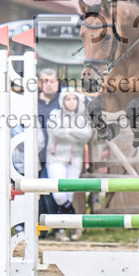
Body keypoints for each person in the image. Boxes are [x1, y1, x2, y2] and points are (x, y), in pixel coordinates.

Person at [46, 91, 93, 241]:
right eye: (68, 99)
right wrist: (75, 133)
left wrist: (69, 131)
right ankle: (77, 223)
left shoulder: (83, 118)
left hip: (75, 160)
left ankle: (61, 229)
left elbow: (87, 135)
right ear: (63, 100)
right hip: (56, 159)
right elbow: (58, 133)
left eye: (74, 99)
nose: (72, 102)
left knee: (69, 196)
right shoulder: (55, 115)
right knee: (59, 195)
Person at [36, 69, 62, 237]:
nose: (49, 84)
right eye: (45, 81)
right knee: (37, 191)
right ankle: (41, 228)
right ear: (39, 84)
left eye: (52, 81)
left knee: (52, 189)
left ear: (57, 83)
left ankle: (56, 226)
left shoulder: (63, 101)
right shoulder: (32, 103)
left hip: (57, 155)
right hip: (34, 154)